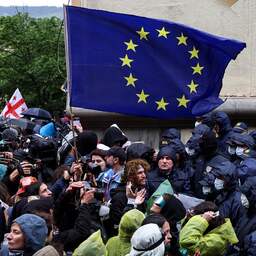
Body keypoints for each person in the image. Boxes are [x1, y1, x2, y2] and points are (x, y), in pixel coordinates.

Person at [107, 158, 149, 237]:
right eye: (140, 173)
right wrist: (133, 203)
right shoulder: (119, 197)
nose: (144, 176)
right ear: (130, 177)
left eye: (144, 172)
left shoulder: (141, 192)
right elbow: (118, 224)